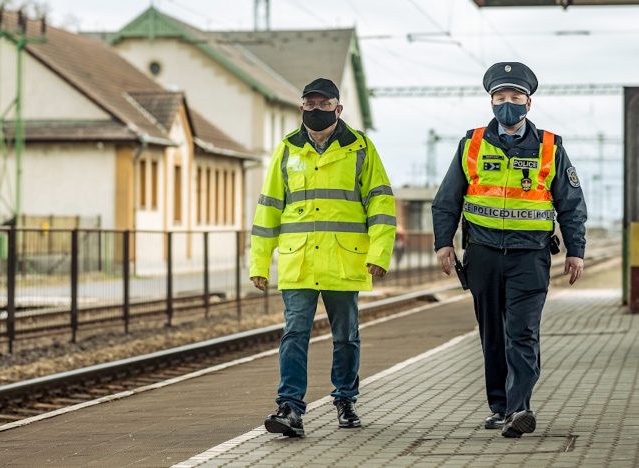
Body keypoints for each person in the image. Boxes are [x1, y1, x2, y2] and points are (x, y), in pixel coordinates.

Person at [432, 62, 587, 438]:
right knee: (492, 335)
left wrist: (575, 249)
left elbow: (570, 202)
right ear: (490, 102)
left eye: (515, 98)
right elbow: (447, 200)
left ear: (528, 104)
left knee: (522, 332)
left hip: (529, 255)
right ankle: (499, 407)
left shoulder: (551, 146)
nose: (508, 104)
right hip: (482, 254)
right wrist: (443, 242)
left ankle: (520, 408)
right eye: (500, 98)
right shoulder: (470, 143)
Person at [249, 78, 396, 437]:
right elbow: (269, 207)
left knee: (346, 336)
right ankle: (289, 408)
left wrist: (380, 252)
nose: (316, 110)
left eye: (323, 104)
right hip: (299, 260)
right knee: (293, 334)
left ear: (338, 108)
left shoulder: (360, 148)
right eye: (309, 105)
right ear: (301, 107)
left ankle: (345, 400)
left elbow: (380, 202)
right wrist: (258, 262)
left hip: (344, 260)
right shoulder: (287, 149)